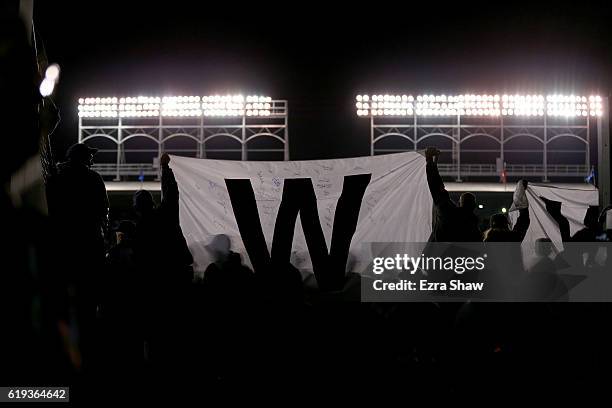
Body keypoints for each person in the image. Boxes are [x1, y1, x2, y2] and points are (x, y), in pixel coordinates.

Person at [132, 153, 193, 370]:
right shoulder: (165, 215)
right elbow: (172, 194)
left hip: (155, 289)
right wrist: (166, 170)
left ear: (137, 210)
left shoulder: (138, 233)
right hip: (177, 278)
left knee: (155, 334)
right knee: (177, 329)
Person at [424, 146, 482, 242]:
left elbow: (436, 187)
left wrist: (431, 162)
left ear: (459, 204)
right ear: (474, 206)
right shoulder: (474, 228)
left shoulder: (449, 213)